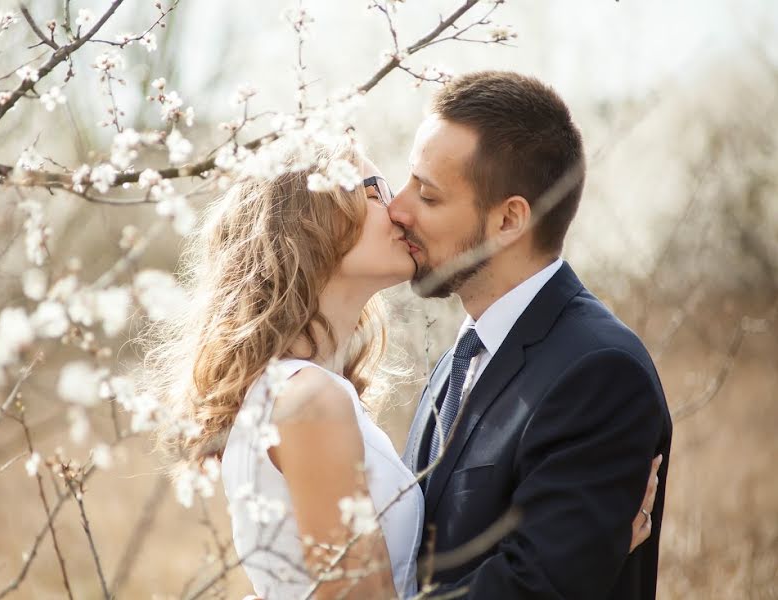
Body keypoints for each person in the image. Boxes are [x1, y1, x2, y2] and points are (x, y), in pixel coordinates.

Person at [147, 139, 660, 598]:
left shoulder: (308, 392)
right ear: (312, 217)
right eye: (374, 191)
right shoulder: (309, 400)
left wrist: (572, 545)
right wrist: (583, 557)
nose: (397, 209)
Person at [392, 71, 672, 599]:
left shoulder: (600, 373)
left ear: (508, 220)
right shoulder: (463, 356)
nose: (398, 208)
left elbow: (531, 591)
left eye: (427, 195)